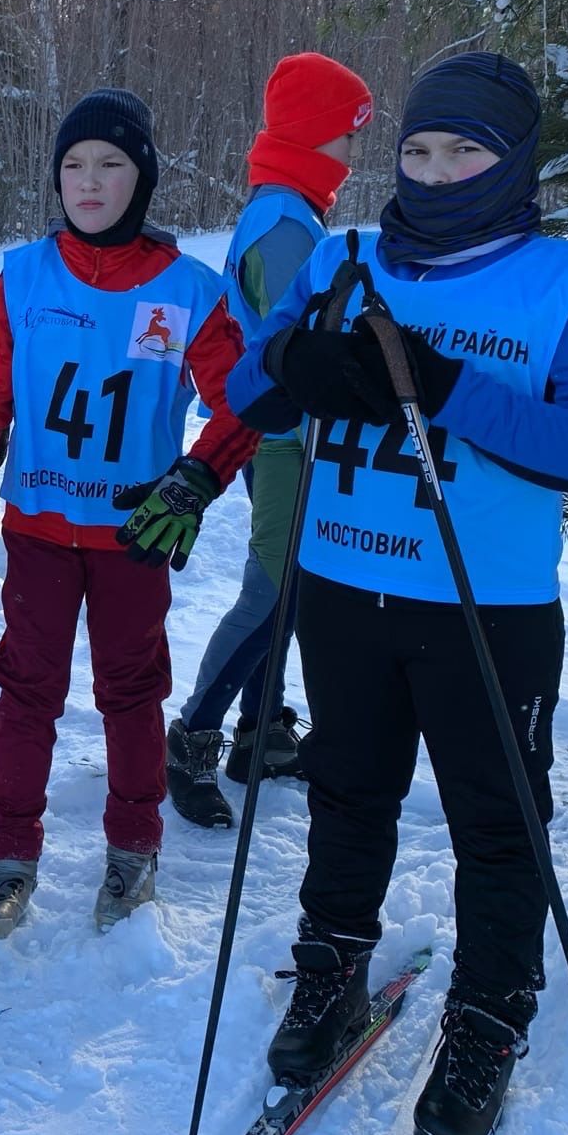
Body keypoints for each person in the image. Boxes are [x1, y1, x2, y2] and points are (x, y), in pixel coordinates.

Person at [228, 53, 568, 1135]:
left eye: (466, 150)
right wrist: (295, 370)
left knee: (497, 821)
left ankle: (490, 1016)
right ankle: (330, 971)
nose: (439, 169)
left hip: (484, 603)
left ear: (513, 163)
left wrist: (454, 391)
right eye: (418, 148)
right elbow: (243, 388)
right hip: (344, 584)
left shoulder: (567, 277)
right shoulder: (346, 254)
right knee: (346, 791)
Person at [0, 88, 257, 935]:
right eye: (73, 164)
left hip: (131, 542)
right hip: (38, 534)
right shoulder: (26, 276)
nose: (89, 180)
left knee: (131, 694)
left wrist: (193, 480)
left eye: (111, 164)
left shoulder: (189, 291)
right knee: (27, 693)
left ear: (141, 178)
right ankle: (9, 859)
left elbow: (245, 406)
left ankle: (132, 850)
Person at [166, 54, 374, 828]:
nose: (356, 154)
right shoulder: (285, 223)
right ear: (318, 135)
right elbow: (298, 342)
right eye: (349, 135)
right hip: (284, 435)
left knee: (290, 587)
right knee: (275, 587)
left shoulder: (287, 208)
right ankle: (191, 736)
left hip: (290, 431)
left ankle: (263, 730)